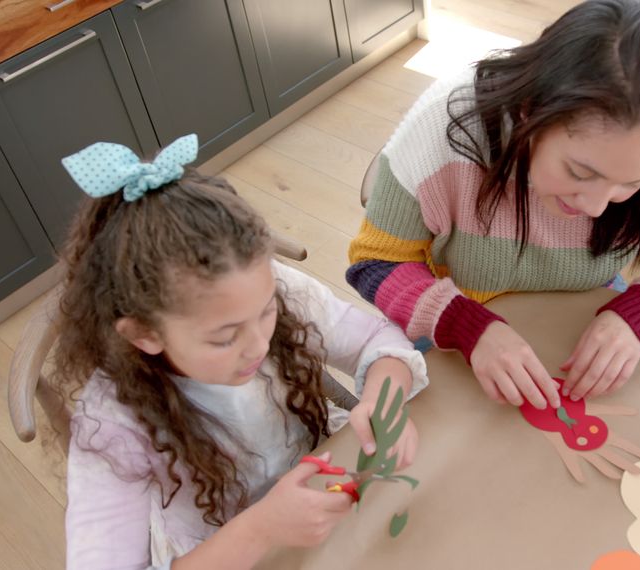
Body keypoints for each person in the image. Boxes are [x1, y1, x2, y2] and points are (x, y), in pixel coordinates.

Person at [346, 0, 640, 410]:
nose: (596, 207)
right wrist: (464, 324)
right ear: (529, 114)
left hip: (585, 313)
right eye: (579, 172)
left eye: (631, 183)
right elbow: (376, 263)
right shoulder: (446, 125)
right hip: (452, 319)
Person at [52, 135, 428, 569]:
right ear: (144, 334)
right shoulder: (111, 424)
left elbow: (376, 339)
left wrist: (385, 400)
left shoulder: (268, 289)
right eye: (224, 338)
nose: (258, 345)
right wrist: (260, 529)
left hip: (328, 486)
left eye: (267, 312)